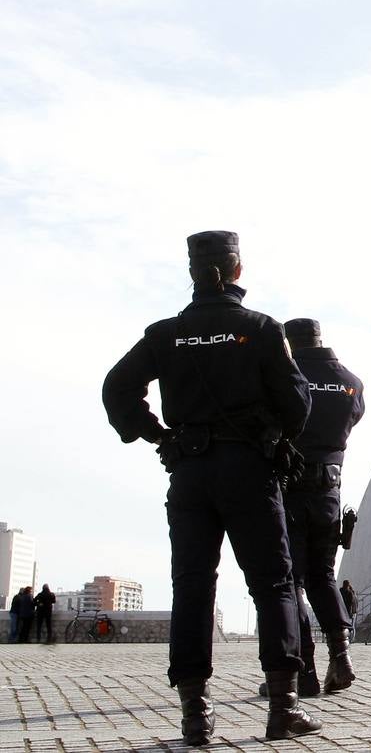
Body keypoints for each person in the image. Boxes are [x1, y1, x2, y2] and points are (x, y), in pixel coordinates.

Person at [101, 230, 319, 745]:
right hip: (249, 470)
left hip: (191, 473)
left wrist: (159, 435)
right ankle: (283, 707)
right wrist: (271, 430)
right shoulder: (261, 329)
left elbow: (116, 388)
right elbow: (298, 406)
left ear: (193, 273)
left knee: (192, 587)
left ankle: (195, 713)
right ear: (237, 270)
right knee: (273, 584)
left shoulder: (165, 334)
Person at [281, 318, 364, 691]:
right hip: (330, 489)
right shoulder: (351, 382)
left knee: (291, 581)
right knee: (323, 576)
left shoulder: (286, 374)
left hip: (289, 487)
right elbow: (352, 420)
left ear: (289, 342)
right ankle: (341, 657)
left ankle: (304, 671)